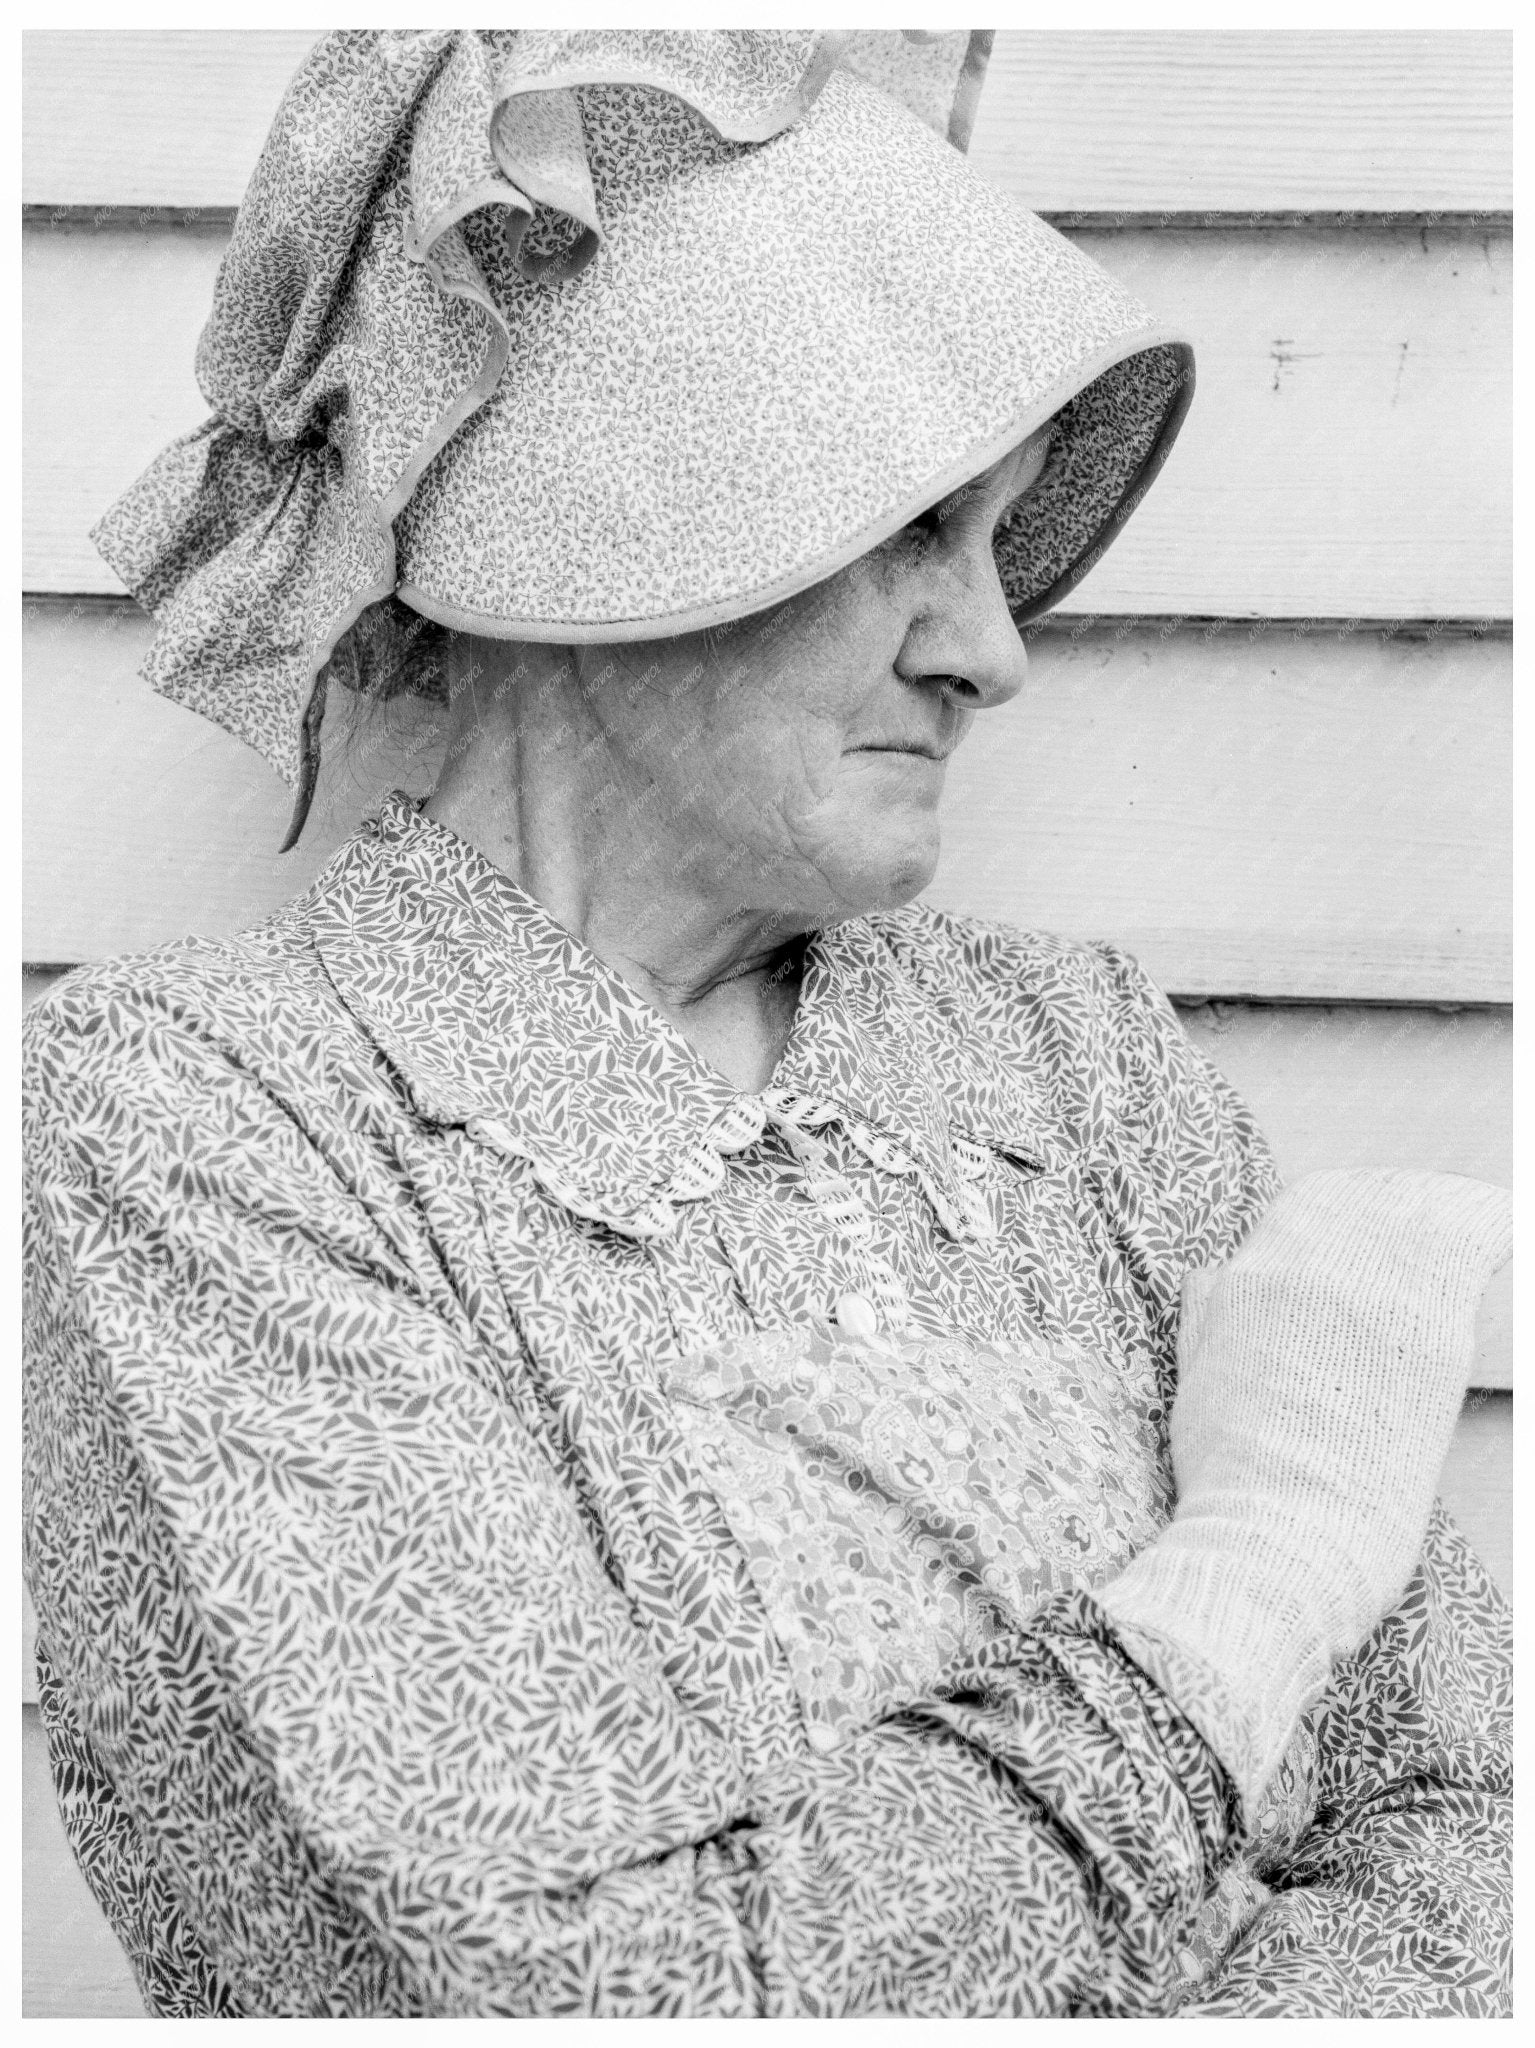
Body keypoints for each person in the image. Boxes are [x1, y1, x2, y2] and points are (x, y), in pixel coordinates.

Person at [22, 31, 1510, 2019]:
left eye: (996, 550)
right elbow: (590, 1989)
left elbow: (1473, 1832)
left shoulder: (1077, 1062)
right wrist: (1249, 1581)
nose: (990, 651)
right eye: (910, 529)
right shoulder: (223, 1128)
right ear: (601, 545)